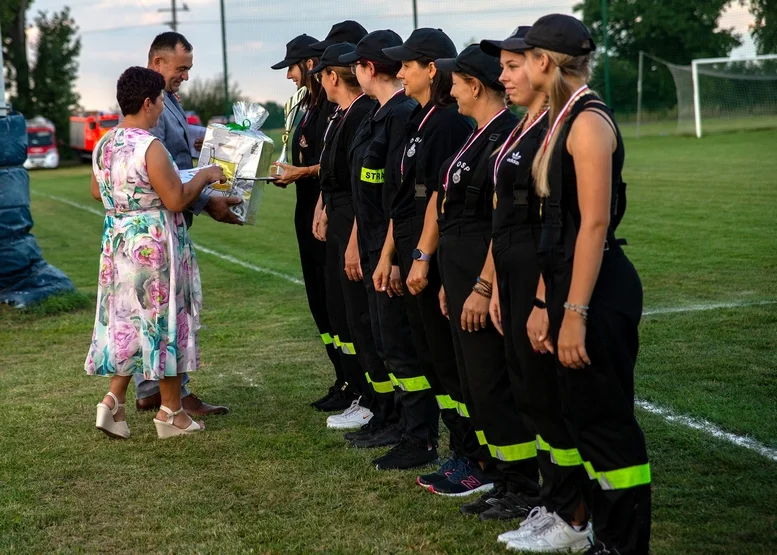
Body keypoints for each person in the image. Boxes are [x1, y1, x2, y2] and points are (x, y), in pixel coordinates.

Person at [513, 14, 652, 555]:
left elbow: (594, 224)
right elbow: (559, 230)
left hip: (598, 293)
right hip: (570, 287)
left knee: (607, 429)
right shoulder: (559, 118)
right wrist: (547, 301)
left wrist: (574, 312)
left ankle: (623, 546)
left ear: (545, 62)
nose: (520, 67)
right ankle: (602, 535)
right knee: (581, 420)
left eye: (526, 57)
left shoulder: (588, 121)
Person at [481, 26, 593, 550]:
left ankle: (573, 513)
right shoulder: (523, 126)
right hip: (514, 269)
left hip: (540, 268)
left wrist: (545, 297)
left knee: (548, 392)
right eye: (502, 66)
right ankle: (554, 500)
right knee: (529, 390)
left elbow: (566, 220)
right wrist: (497, 284)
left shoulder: (560, 123)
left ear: (541, 65)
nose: (504, 76)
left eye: (513, 65)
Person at [86, 66, 226, 439]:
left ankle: (112, 403)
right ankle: (171, 413)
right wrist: (206, 175)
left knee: (132, 322)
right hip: (154, 246)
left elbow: (98, 192)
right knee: (164, 323)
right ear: (147, 102)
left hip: (119, 245)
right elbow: (176, 199)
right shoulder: (150, 146)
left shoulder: (104, 144)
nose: (164, 107)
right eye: (161, 100)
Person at [431, 44, 541, 511]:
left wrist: (481, 284)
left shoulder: (504, 136)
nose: (450, 91)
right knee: (476, 378)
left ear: (474, 85)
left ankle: (518, 483)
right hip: (460, 271)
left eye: (455, 83)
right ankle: (496, 471)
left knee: (493, 379)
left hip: (484, 271)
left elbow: (499, 222)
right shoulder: (480, 134)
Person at [372, 29, 476, 473]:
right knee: (430, 356)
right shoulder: (421, 118)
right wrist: (392, 254)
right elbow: (403, 198)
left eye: (408, 65)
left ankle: (470, 453)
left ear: (431, 69)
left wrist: (421, 256)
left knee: (449, 361)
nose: (399, 71)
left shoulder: (449, 122)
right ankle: (453, 449)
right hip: (412, 241)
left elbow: (437, 196)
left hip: (432, 248)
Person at [134, 31, 232, 416]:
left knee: (154, 306)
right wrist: (208, 195)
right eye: (181, 69)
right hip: (160, 223)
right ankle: (171, 395)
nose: (186, 77)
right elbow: (161, 174)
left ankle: (150, 389)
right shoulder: (149, 107)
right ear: (157, 63)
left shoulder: (167, 100)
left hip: (163, 220)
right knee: (168, 309)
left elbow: (178, 153)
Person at [339, 30, 419, 449]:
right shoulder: (375, 113)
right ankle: (392, 419)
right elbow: (363, 190)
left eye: (357, 65)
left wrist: (389, 252)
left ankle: (416, 431)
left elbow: (397, 196)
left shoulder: (402, 115)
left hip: (390, 246)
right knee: (381, 337)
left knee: (398, 341)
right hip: (371, 244)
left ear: (369, 69)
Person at [271, 34, 345, 411]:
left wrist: (302, 171)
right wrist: (291, 172)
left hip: (328, 213)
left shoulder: (334, 109)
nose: (289, 77)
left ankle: (354, 382)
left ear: (311, 64)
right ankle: (342, 378)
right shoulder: (311, 106)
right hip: (307, 211)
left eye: (292, 68)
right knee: (319, 299)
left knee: (335, 302)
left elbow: (335, 162)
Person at [311, 43, 382, 429]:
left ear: (332, 77)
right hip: (339, 216)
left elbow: (361, 186)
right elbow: (334, 173)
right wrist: (323, 207)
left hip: (353, 219)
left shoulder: (361, 114)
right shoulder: (342, 114)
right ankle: (361, 392)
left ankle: (371, 398)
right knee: (344, 312)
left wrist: (353, 236)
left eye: (320, 74)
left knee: (359, 313)